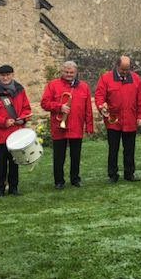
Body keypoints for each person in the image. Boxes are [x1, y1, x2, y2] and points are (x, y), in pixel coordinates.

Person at [40, 60, 94, 189]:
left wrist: (90, 126)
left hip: (76, 126)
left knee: (76, 155)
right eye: (66, 72)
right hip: (59, 127)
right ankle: (59, 181)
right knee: (59, 156)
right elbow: (44, 103)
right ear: (62, 71)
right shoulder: (52, 85)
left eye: (72, 72)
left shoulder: (84, 87)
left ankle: (75, 179)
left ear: (76, 72)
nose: (69, 74)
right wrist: (59, 107)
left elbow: (88, 108)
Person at [0, 64, 32, 197]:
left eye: (8, 75)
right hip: (1, 134)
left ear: (12, 75)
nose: (5, 78)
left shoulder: (20, 90)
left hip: (16, 132)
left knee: (15, 162)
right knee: (2, 162)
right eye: (2, 75)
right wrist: (4, 121)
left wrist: (23, 119)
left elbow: (26, 108)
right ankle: (0, 189)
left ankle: (14, 188)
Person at [95, 55, 141, 182]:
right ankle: (112, 175)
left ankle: (129, 174)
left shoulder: (136, 79)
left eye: (127, 69)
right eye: (123, 69)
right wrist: (101, 106)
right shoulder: (106, 78)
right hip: (113, 121)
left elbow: (140, 99)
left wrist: (140, 116)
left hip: (130, 120)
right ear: (117, 66)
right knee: (113, 149)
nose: (125, 72)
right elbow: (99, 95)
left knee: (129, 149)